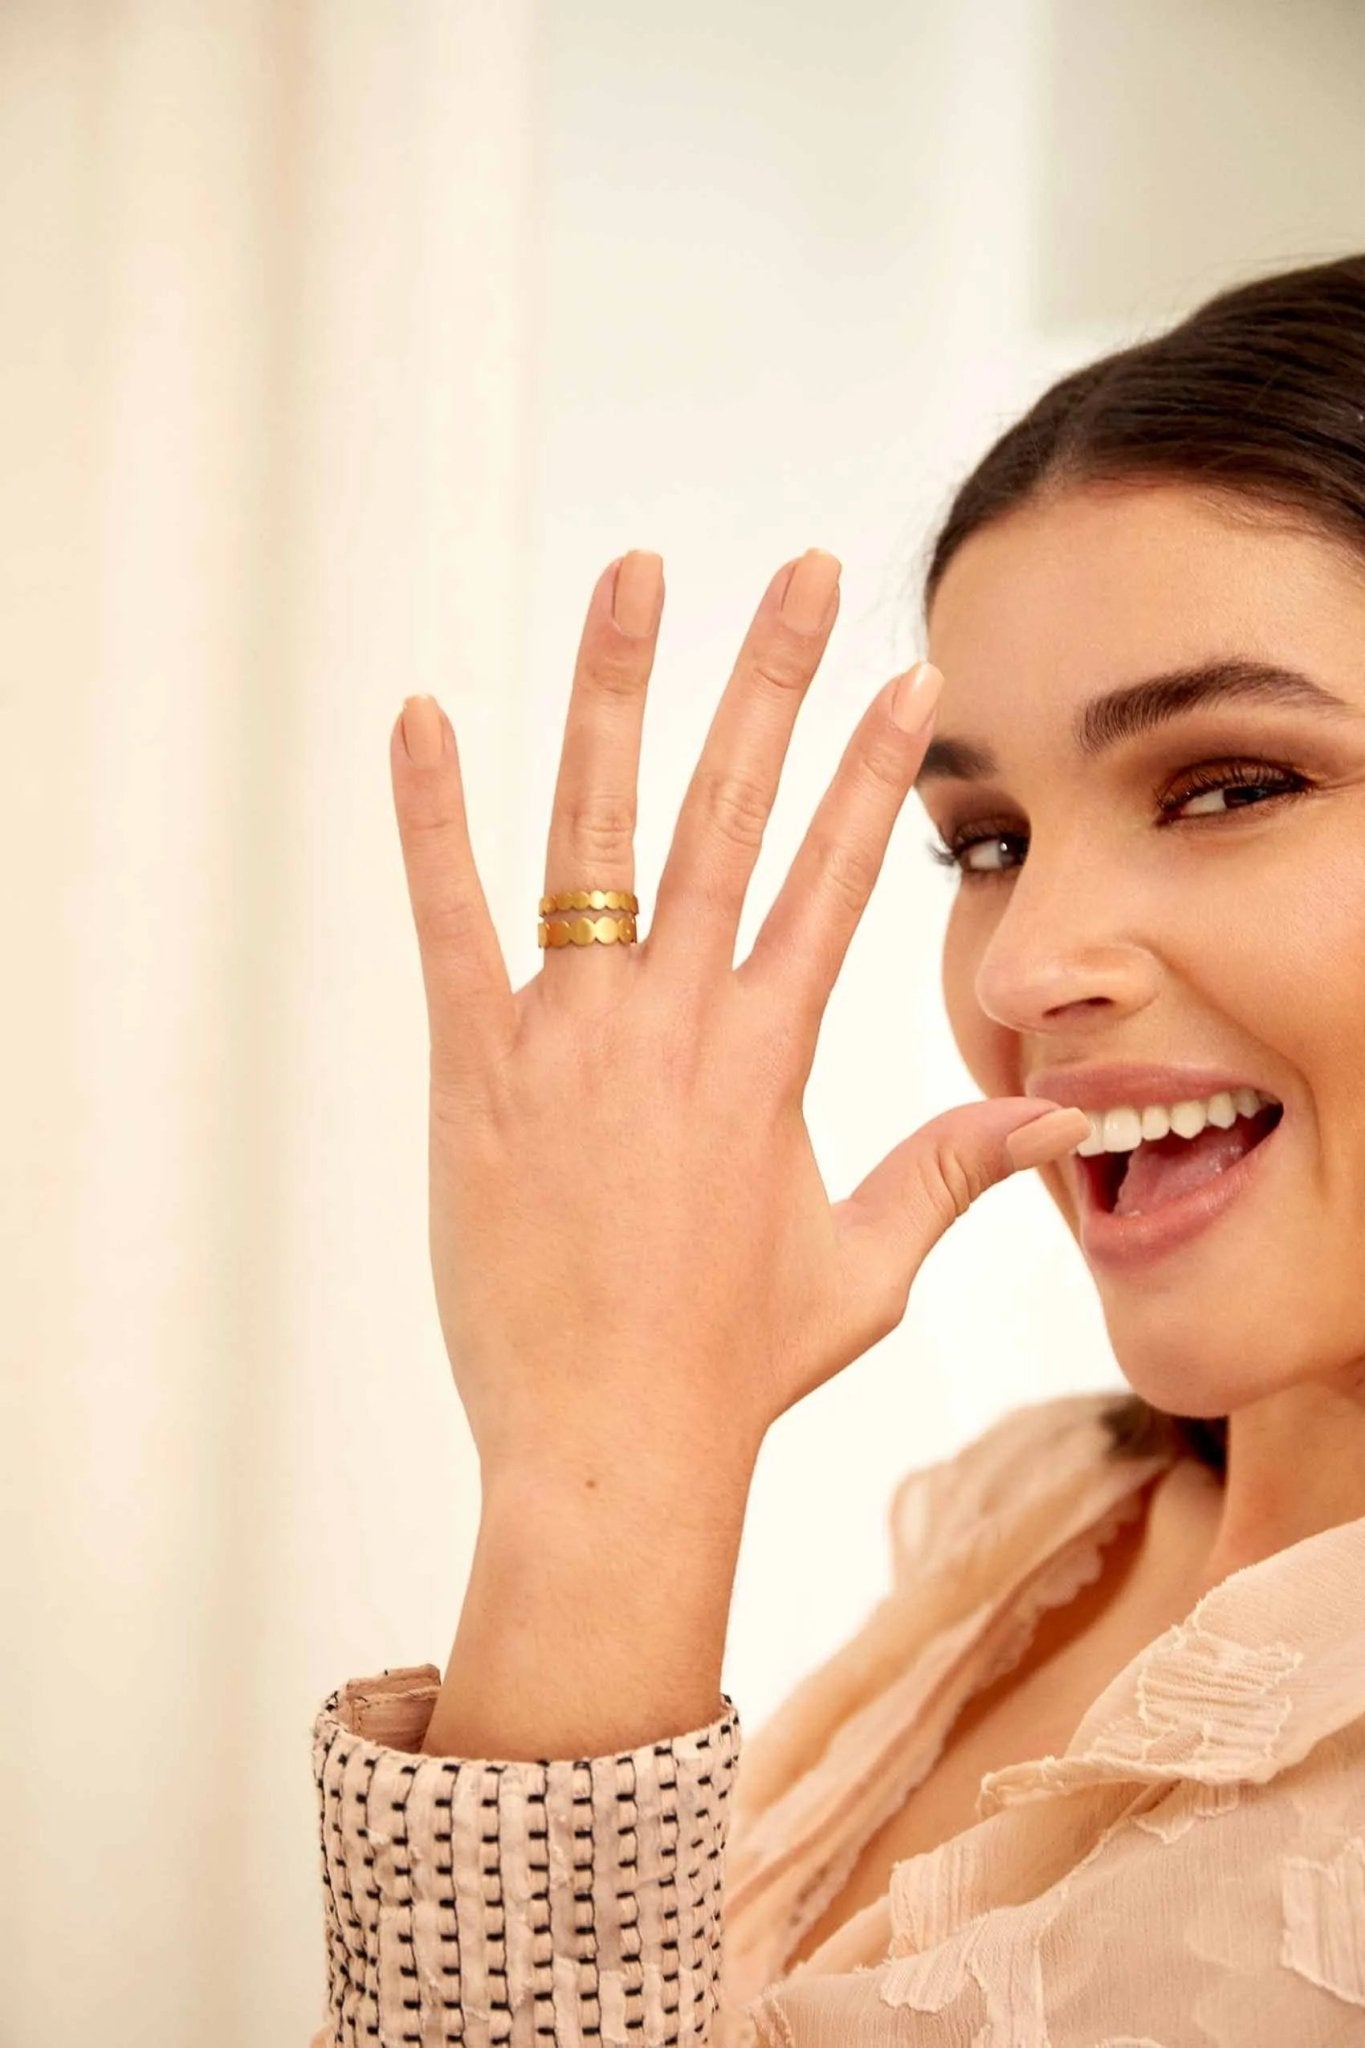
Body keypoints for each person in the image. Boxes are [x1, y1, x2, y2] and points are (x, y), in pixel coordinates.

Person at [309, 254, 1365, 2047]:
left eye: (1229, 787)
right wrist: (610, 1442)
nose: (1023, 968)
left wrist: (605, 1482)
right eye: (986, 841)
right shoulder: (1045, 1522)